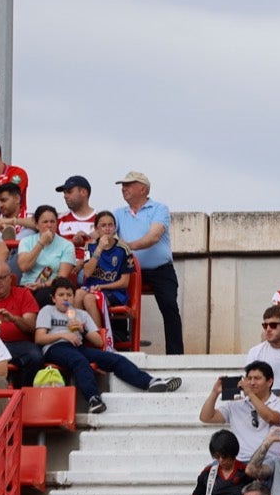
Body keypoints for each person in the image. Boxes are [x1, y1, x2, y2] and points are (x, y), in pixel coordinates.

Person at [34, 278, 180, 414]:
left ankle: (150, 382)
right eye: (61, 295)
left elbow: (99, 342)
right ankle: (93, 399)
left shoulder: (81, 314)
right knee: (79, 361)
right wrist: (63, 335)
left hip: (78, 347)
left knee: (115, 359)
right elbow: (39, 338)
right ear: (53, 298)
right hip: (55, 348)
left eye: (69, 295)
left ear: (73, 297)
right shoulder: (48, 310)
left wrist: (83, 330)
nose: (65, 298)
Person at [112, 170, 183, 353]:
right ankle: (120, 345)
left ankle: (175, 355)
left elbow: (154, 236)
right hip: (130, 270)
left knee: (169, 305)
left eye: (128, 185)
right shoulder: (118, 213)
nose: (123, 188)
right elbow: (104, 233)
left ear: (143, 189)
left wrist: (126, 246)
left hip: (160, 269)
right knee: (114, 299)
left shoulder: (159, 209)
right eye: (123, 185)